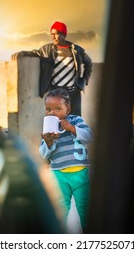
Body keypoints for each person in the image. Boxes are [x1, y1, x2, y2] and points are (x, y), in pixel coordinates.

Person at [39, 88, 93, 233]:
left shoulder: (76, 120)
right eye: (48, 109)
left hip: (81, 173)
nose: (52, 112)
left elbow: (88, 136)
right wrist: (49, 142)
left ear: (67, 109)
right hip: (59, 174)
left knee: (84, 207)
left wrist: (72, 128)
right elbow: (44, 154)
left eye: (57, 109)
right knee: (60, 208)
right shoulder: (48, 127)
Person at [11, 21, 92, 116]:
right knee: (53, 120)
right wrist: (22, 53)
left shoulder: (76, 50)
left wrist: (84, 80)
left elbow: (88, 63)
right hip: (55, 92)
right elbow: (35, 53)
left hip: (73, 92)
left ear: (63, 35)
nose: (53, 37)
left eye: (56, 34)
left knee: (73, 120)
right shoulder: (47, 49)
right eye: (51, 34)